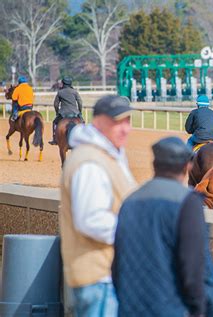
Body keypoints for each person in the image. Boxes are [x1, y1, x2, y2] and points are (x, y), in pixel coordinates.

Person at [112, 137, 213, 317]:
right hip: (172, 308)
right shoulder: (188, 203)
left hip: (129, 308)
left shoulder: (129, 201)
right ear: (188, 166)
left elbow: (117, 265)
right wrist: (199, 308)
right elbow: (193, 268)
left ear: (154, 164)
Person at [59, 95, 137, 316]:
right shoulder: (89, 162)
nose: (125, 129)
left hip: (107, 275)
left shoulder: (106, 155)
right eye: (116, 122)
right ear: (98, 123)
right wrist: (136, 231)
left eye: (127, 121)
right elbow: (91, 220)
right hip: (98, 277)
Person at [49, 77, 83, 145]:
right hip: (75, 113)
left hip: (63, 114)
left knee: (55, 123)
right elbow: (80, 102)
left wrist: (57, 112)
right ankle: (83, 139)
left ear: (63, 83)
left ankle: (55, 138)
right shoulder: (75, 92)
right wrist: (79, 111)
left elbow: (56, 104)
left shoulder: (60, 92)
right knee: (82, 123)